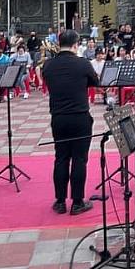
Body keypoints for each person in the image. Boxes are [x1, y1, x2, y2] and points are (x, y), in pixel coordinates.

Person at [42, 29, 99, 216]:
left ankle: (59, 201)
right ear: (76, 45)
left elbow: (48, 81)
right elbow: (95, 82)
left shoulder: (49, 65)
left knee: (61, 158)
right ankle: (77, 202)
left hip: (58, 117)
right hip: (79, 116)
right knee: (79, 159)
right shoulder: (82, 63)